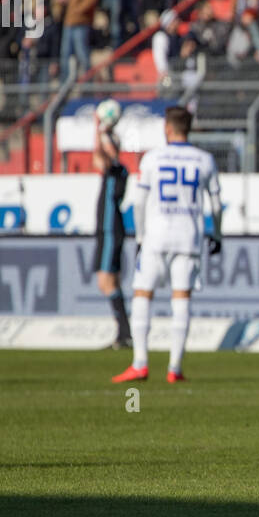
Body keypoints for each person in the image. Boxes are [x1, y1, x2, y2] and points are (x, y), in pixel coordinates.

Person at [111, 106, 222, 384]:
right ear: (189, 128)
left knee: (142, 295)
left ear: (167, 128)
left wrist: (139, 236)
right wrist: (217, 235)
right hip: (189, 237)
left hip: (155, 237)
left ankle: (140, 363)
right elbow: (217, 205)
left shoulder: (152, 159)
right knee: (181, 298)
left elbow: (138, 202)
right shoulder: (204, 160)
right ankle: (174, 368)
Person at [92, 101, 133, 351]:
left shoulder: (115, 169)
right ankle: (124, 334)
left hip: (110, 228)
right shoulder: (116, 170)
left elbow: (101, 159)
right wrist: (103, 133)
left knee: (106, 281)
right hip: (108, 228)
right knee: (109, 282)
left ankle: (124, 333)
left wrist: (99, 133)